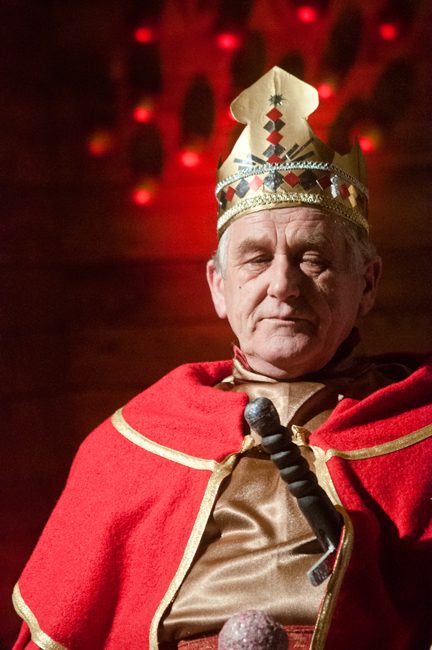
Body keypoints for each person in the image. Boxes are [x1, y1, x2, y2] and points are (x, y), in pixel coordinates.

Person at [11, 68, 432, 650]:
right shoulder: (129, 447)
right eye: (256, 259)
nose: (282, 285)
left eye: (312, 257)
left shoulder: (422, 431)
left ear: (367, 283)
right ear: (218, 286)